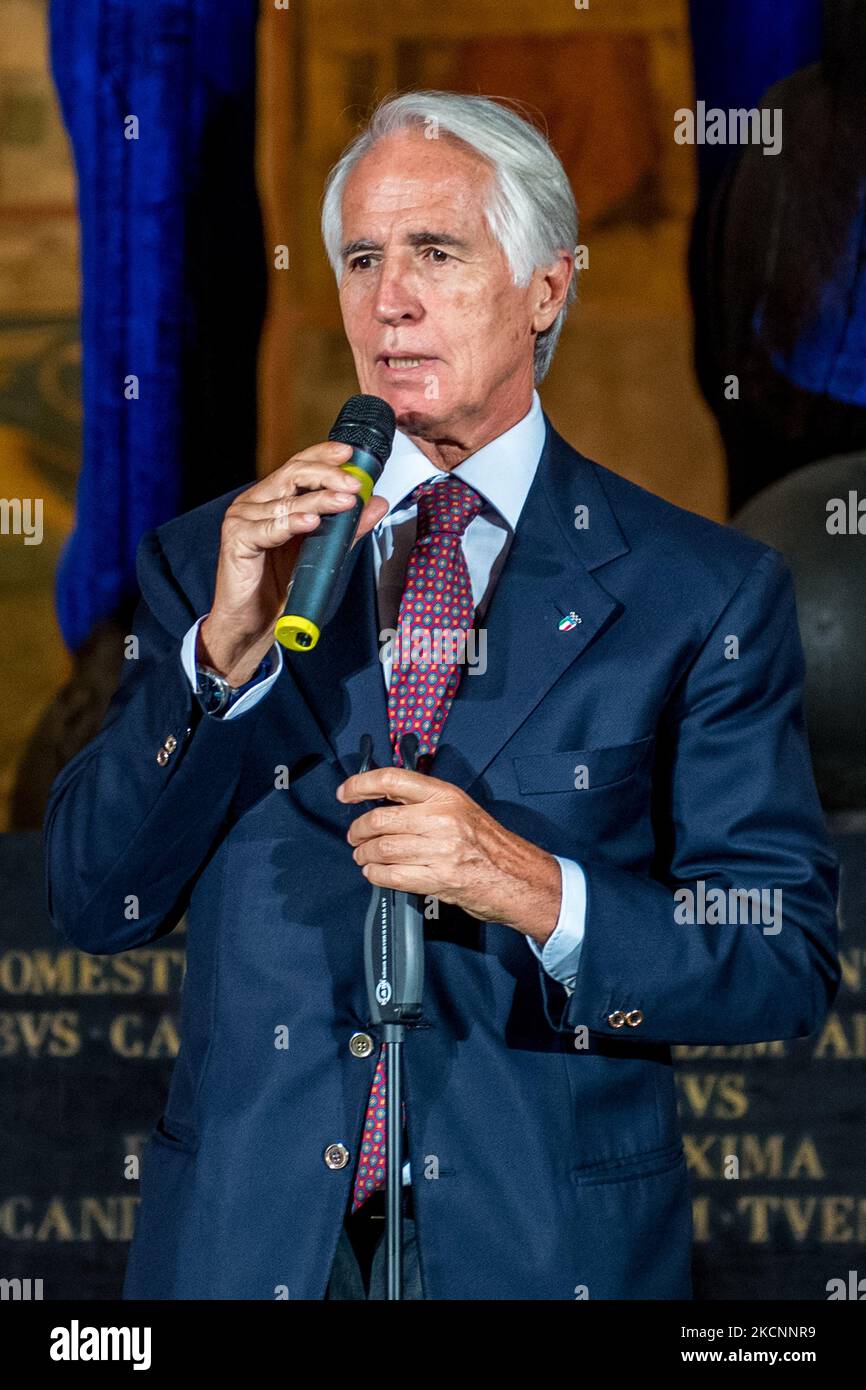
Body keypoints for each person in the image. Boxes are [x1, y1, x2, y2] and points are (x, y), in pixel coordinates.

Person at [43, 91, 840, 1301]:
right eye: (362, 258)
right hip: (247, 1254)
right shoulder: (218, 560)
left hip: (539, 1256)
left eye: (435, 252)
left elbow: (776, 957)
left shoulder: (699, 593)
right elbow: (94, 898)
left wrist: (533, 890)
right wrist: (221, 653)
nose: (389, 300)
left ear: (546, 288)